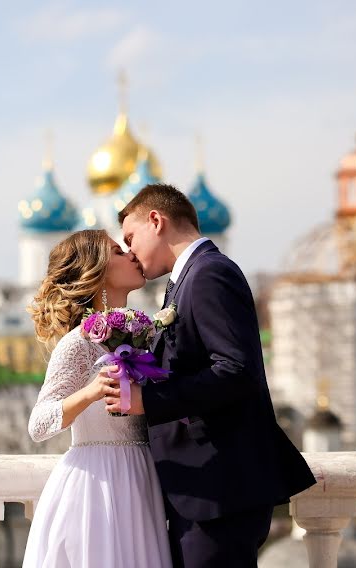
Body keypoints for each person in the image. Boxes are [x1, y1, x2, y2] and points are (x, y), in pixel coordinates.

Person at [107, 183, 317, 567]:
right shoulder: (184, 282)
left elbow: (236, 371)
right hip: (205, 491)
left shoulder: (209, 274)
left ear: (157, 221)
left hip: (221, 492)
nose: (131, 252)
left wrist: (147, 401)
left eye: (130, 238)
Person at [23, 228, 172, 568]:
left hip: (142, 478)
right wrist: (90, 393)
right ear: (97, 272)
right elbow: (39, 424)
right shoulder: (78, 343)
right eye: (119, 252)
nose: (132, 254)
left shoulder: (146, 335)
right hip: (95, 486)